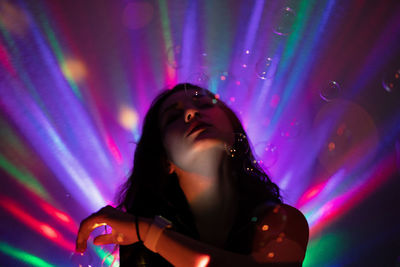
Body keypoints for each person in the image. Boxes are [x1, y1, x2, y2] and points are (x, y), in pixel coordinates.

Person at [76, 83, 309, 266]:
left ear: (233, 130)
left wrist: (149, 232)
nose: (191, 111)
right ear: (165, 160)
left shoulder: (285, 222)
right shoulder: (139, 248)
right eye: (173, 117)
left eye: (205, 103)